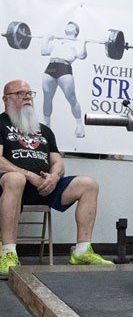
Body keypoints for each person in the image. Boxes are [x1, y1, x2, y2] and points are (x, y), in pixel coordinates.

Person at [0, 79, 113, 279]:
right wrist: (28, 176)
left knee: (89, 184)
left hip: (45, 187)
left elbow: (57, 161)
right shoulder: (0, 124)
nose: (27, 96)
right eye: (20, 93)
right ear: (6, 100)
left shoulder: (44, 130)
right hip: (10, 186)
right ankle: (8, 254)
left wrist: (53, 176)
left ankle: (81, 251)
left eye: (29, 93)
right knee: (16, 179)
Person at [41, 21, 89, 138]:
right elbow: (44, 52)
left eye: (72, 25)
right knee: (47, 97)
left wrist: (83, 42)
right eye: (68, 24)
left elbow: (82, 55)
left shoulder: (77, 42)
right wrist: (46, 39)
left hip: (64, 68)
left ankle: (79, 125)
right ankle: (46, 126)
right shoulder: (57, 41)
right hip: (51, 67)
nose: (69, 26)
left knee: (71, 98)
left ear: (75, 31)